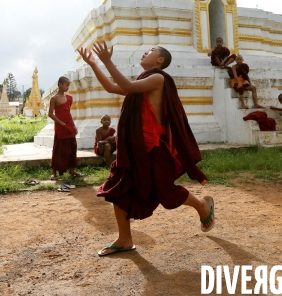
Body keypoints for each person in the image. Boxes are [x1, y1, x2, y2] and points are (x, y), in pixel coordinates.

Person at [77, 42, 215, 257]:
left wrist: (107, 61)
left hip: (154, 147)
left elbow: (128, 87)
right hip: (134, 148)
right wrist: (95, 64)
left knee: (165, 191)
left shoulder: (158, 79)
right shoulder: (143, 81)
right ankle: (124, 239)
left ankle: (202, 206)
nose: (145, 52)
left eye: (151, 51)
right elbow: (113, 88)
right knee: (119, 188)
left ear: (160, 60)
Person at [48, 76, 81, 181]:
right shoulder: (54, 98)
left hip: (69, 125)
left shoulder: (69, 98)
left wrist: (73, 125)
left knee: (72, 147)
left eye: (68, 85)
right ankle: (54, 172)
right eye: (66, 85)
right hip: (60, 126)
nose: (67, 87)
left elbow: (68, 114)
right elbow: (50, 114)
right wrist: (61, 123)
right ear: (60, 85)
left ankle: (72, 169)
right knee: (58, 149)